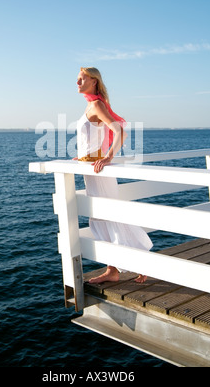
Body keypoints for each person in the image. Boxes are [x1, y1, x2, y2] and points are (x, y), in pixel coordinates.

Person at [76, 67, 153, 284]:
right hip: (91, 169)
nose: (78, 82)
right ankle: (114, 269)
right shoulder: (91, 105)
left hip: (99, 171)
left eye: (82, 79)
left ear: (94, 81)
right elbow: (92, 138)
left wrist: (108, 157)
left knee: (107, 216)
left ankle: (135, 263)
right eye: (77, 79)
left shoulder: (97, 105)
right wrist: (81, 157)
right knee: (102, 217)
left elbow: (120, 131)